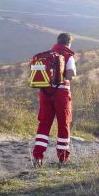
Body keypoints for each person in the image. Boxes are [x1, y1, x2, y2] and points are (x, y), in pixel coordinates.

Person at [32, 33, 77, 167]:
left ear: (57, 42)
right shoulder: (68, 55)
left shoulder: (47, 55)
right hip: (61, 94)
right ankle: (63, 158)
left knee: (44, 124)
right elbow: (70, 74)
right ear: (69, 43)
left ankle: (37, 156)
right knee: (63, 124)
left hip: (45, 93)